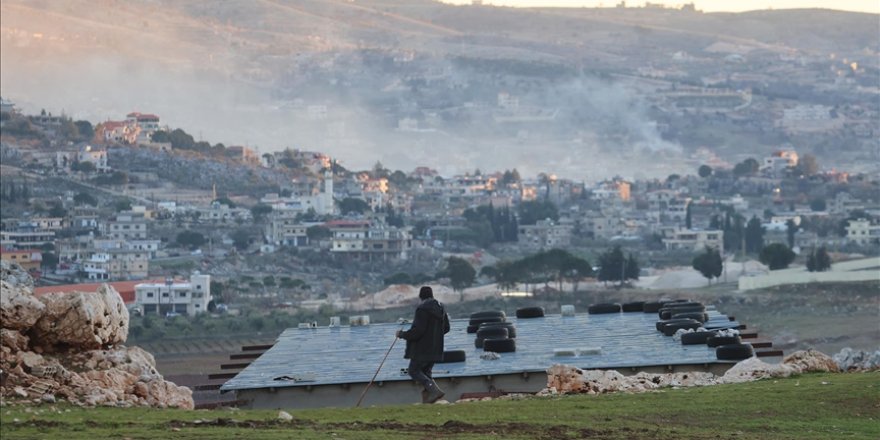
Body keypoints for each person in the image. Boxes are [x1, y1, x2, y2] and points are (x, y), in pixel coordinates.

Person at [396, 285, 450, 403]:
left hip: (422, 349)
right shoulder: (441, 308)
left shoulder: (422, 309)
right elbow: (446, 328)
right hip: (436, 349)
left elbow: (418, 331)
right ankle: (429, 400)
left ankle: (434, 391)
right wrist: (435, 337)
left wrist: (402, 334)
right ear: (432, 295)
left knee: (413, 370)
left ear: (420, 296)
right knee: (426, 372)